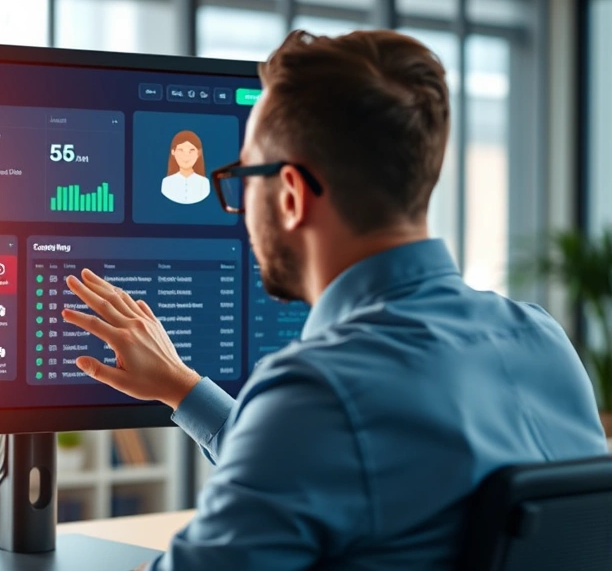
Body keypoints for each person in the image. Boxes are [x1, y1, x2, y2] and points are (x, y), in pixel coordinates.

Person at [62, 29, 608, 570]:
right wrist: (181, 388)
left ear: (293, 195)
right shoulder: (541, 340)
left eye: (243, 178)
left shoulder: (319, 393)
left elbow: (319, 441)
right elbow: (328, 471)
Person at [160, 130, 210, 204]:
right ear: (173, 152)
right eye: (181, 150)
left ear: (198, 153)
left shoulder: (204, 183)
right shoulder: (167, 182)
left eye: (191, 150)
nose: (186, 156)